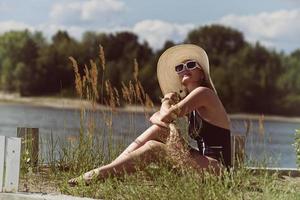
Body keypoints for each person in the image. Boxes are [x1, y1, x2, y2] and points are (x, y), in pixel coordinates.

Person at [68, 44, 231, 186]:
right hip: (201, 161)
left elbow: (165, 116)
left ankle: (101, 174)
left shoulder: (204, 93)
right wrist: (167, 122)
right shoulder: (191, 101)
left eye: (190, 64)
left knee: (155, 147)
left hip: (217, 170)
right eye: (179, 68)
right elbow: (157, 119)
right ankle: (111, 169)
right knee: (158, 130)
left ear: (202, 74)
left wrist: (166, 101)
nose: (184, 69)